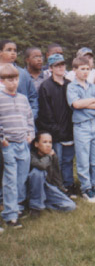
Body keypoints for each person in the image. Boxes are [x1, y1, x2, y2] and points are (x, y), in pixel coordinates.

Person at [37, 54, 76, 199]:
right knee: (56, 161)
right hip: (55, 132)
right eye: (57, 65)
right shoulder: (45, 86)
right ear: (51, 68)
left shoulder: (69, 84)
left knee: (68, 160)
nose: (60, 68)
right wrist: (55, 130)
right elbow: (45, 112)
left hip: (70, 130)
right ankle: (57, 188)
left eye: (62, 64)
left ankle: (69, 185)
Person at [67, 56, 95, 203]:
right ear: (75, 70)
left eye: (87, 69)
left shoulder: (93, 87)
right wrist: (91, 101)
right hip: (81, 126)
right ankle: (86, 188)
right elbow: (76, 105)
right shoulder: (71, 87)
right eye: (82, 69)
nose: (85, 72)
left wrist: (86, 104)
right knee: (83, 158)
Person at [0, 64, 35, 229]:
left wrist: (30, 134)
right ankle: (10, 215)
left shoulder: (23, 98)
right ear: (2, 81)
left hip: (23, 144)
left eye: (15, 79)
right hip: (9, 146)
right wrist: (3, 139)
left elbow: (29, 118)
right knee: (10, 180)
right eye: (9, 80)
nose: (13, 83)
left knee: (21, 178)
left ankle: (16, 206)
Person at [28, 131, 76, 216]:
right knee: (38, 172)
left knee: (71, 206)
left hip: (48, 188)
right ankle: (35, 207)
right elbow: (41, 165)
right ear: (36, 144)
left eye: (50, 142)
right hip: (33, 190)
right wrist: (49, 156)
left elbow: (56, 176)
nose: (48, 145)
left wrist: (62, 191)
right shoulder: (31, 156)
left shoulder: (53, 156)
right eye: (44, 142)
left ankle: (45, 204)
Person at [0, 40, 39, 120]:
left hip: (22, 121)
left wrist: (30, 116)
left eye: (15, 50)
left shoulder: (23, 74)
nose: (13, 53)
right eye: (9, 50)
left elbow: (33, 97)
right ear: (0, 52)